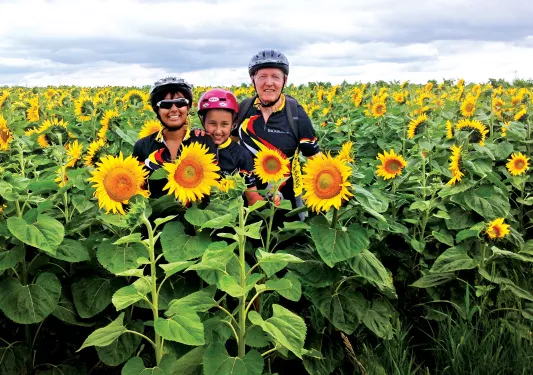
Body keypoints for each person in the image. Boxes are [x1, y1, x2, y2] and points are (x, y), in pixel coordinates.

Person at [231, 49, 320, 218]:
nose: (269, 83)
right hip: (247, 202)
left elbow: (315, 160)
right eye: (262, 76)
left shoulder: (296, 114)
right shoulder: (244, 109)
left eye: (275, 77)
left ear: (284, 81)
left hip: (288, 205)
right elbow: (229, 145)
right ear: (253, 80)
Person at [133, 77, 217, 199]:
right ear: (157, 110)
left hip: (200, 213)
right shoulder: (143, 146)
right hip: (158, 216)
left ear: (188, 108)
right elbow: (139, 188)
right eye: (165, 104)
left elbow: (214, 180)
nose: (173, 109)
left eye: (180, 103)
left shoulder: (203, 141)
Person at [196, 88, 269, 206]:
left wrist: (270, 201)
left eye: (225, 124)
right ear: (203, 122)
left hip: (230, 215)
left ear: (233, 124)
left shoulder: (241, 155)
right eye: (212, 123)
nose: (218, 131)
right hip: (200, 214)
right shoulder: (195, 146)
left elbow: (251, 195)